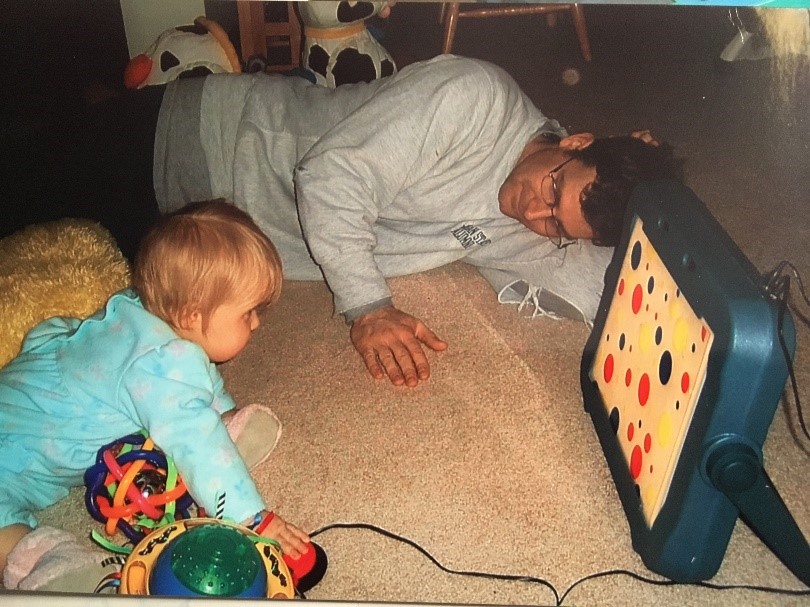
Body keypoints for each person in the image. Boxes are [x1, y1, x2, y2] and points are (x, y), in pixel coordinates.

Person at [18, 54, 683, 390]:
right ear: (572, 141)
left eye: (556, 226)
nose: (530, 211)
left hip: (203, 243)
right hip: (196, 142)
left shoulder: (541, 220)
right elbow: (331, 177)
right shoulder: (473, 97)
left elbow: (612, 285)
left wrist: (673, 217)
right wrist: (368, 305)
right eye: (552, 188)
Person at [0, 200, 310, 592]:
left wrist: (223, 412)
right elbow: (192, 438)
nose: (257, 322)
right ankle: (47, 560)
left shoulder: (137, 312)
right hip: (13, 452)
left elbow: (198, 378)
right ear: (192, 317)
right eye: (248, 313)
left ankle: (226, 430)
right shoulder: (162, 362)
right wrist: (251, 517)